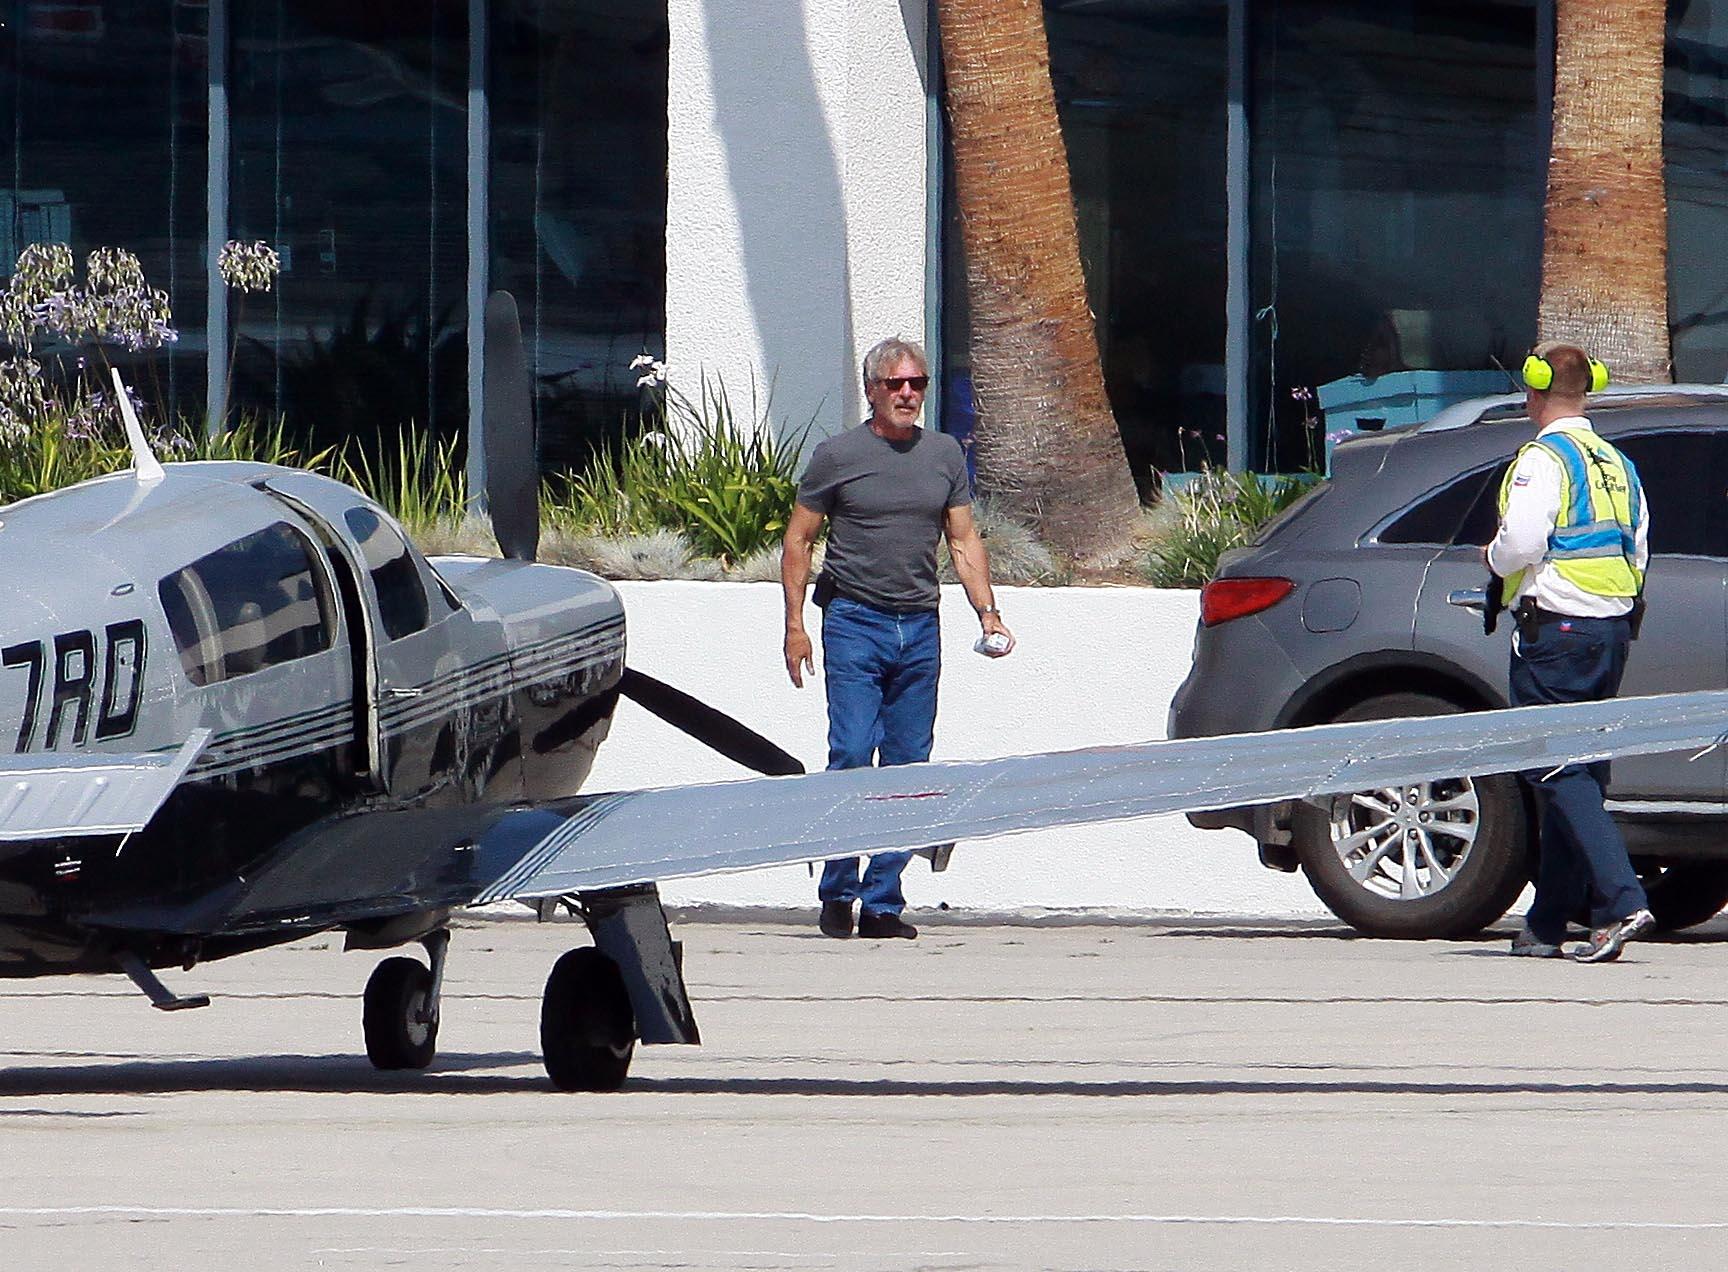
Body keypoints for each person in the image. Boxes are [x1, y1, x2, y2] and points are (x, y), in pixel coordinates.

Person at [782, 337, 1013, 940]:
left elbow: (963, 542)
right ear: (872, 391)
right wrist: (795, 627)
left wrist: (987, 614)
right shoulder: (838, 456)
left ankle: (883, 903)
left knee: (909, 765)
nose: (908, 394)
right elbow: (798, 542)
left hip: (920, 626)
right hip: (854, 621)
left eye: (917, 384)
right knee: (854, 754)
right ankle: (838, 889)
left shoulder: (943, 455)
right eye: (895, 385)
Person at [1486, 341, 1653, 963]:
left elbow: (1523, 539)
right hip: (1609, 632)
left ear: (1532, 388)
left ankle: (1619, 902)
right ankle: (1549, 922)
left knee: (1558, 769)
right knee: (1577, 771)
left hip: (1555, 630)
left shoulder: (1543, 457)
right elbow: (1637, 549)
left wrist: (1494, 559)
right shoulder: (1615, 461)